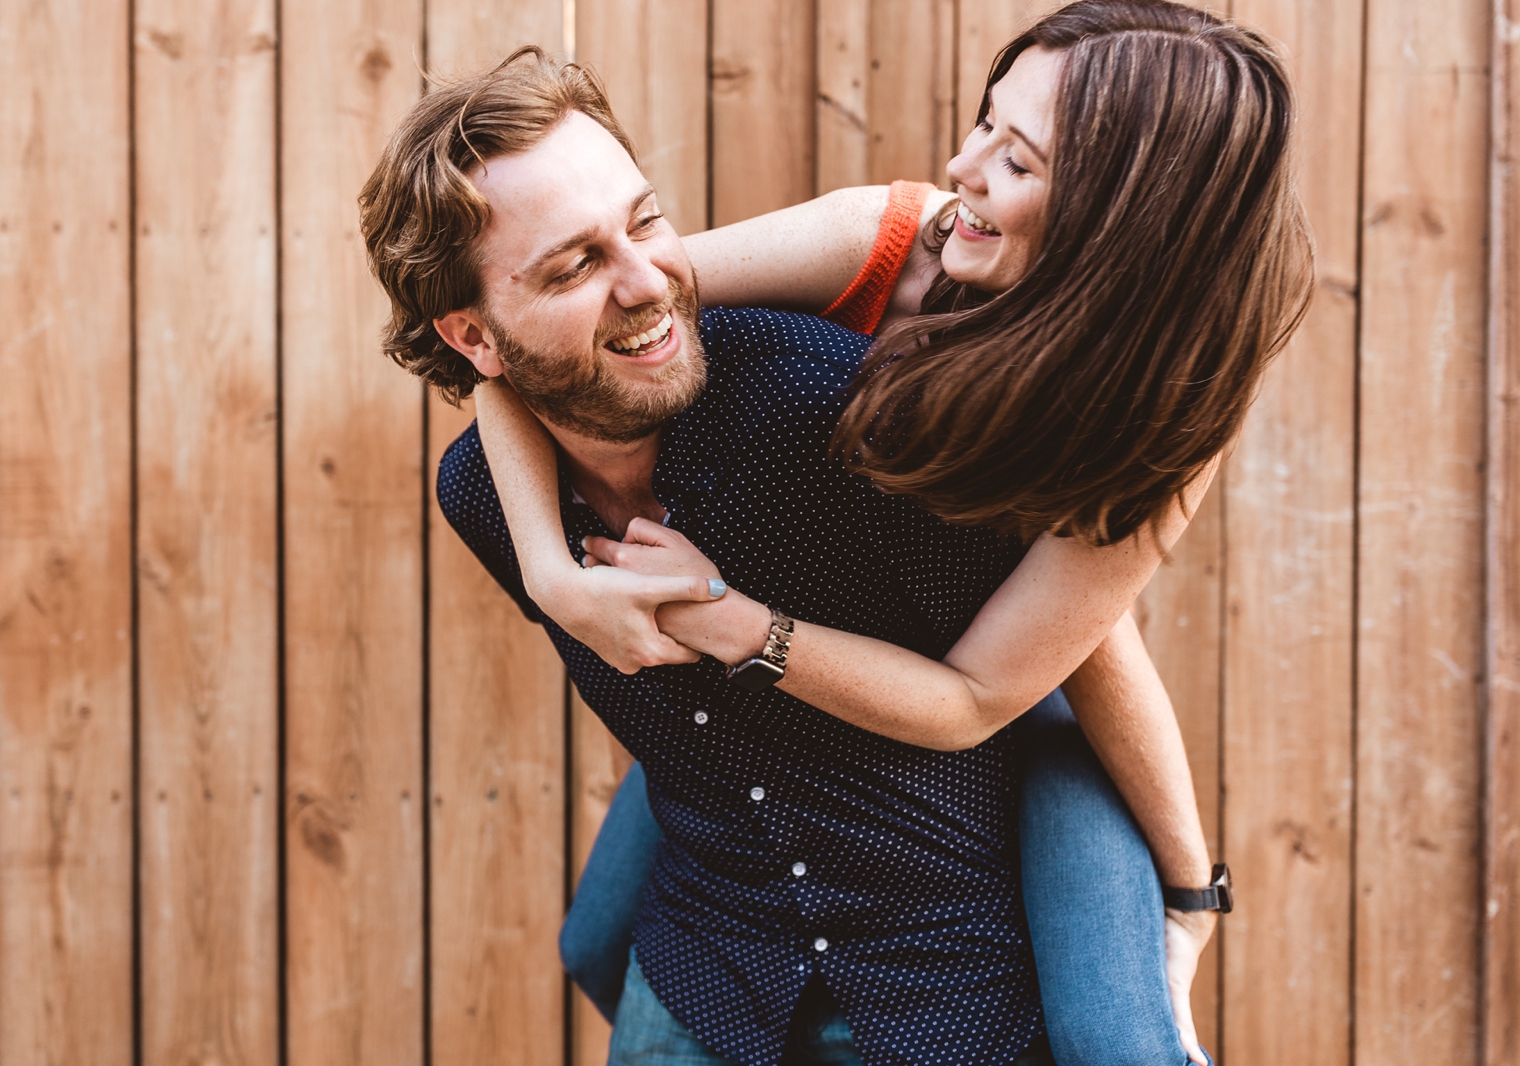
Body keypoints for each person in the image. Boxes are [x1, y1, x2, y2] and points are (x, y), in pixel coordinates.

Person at [466, 1, 1310, 1063]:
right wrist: (552, 573)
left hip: (982, 682)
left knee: (1123, 1037)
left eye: (1016, 159)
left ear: (1116, 218)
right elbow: (559, 344)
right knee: (598, 943)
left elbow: (1036, 672)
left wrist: (1186, 885)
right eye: (983, 123)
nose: (962, 163)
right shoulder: (886, 243)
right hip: (788, 657)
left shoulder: (1152, 415)